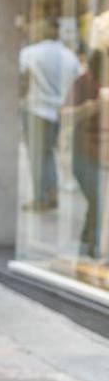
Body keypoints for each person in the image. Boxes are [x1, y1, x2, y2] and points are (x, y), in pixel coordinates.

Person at [20, 31, 81, 210]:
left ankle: (42, 196)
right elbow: (79, 79)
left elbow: (20, 74)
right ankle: (50, 191)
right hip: (58, 111)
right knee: (47, 153)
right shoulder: (69, 56)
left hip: (35, 109)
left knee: (37, 156)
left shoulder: (31, 52)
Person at [64, 48, 106, 257]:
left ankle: (87, 246)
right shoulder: (84, 83)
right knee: (97, 200)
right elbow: (64, 114)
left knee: (99, 203)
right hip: (84, 153)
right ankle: (93, 249)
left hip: (104, 154)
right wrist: (88, 108)